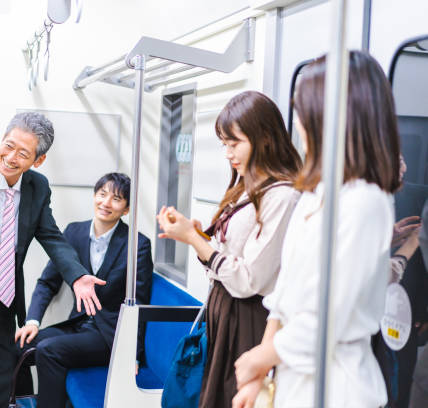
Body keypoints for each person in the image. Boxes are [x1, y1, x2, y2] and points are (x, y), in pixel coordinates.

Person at [233, 51, 402, 408]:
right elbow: (283, 297)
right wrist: (258, 375)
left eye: (303, 111)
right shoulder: (315, 195)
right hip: (293, 379)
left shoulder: (366, 202)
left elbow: (330, 318)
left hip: (339, 387)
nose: (298, 122)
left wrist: (259, 359)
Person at [0, 112, 103, 408]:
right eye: (8, 145)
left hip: (3, 281)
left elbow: (51, 236)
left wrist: (77, 276)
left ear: (37, 161)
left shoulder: (37, 188)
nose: (11, 157)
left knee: (2, 370)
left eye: (22, 153)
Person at [156, 90, 302, 408]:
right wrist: (194, 234)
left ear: (263, 138)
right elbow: (225, 257)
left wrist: (195, 240)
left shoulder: (282, 196)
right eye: (224, 143)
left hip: (249, 318)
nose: (227, 153)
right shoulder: (244, 188)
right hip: (224, 314)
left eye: (234, 143)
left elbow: (250, 279)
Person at [14, 172, 153, 407]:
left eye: (117, 199)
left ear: (126, 209)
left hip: (109, 335)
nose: (106, 203)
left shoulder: (137, 244)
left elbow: (140, 304)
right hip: (77, 325)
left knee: (49, 350)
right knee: (18, 346)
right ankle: (23, 402)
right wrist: (32, 321)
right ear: (94, 196)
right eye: (102, 194)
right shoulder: (73, 233)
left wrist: (133, 354)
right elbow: (48, 282)